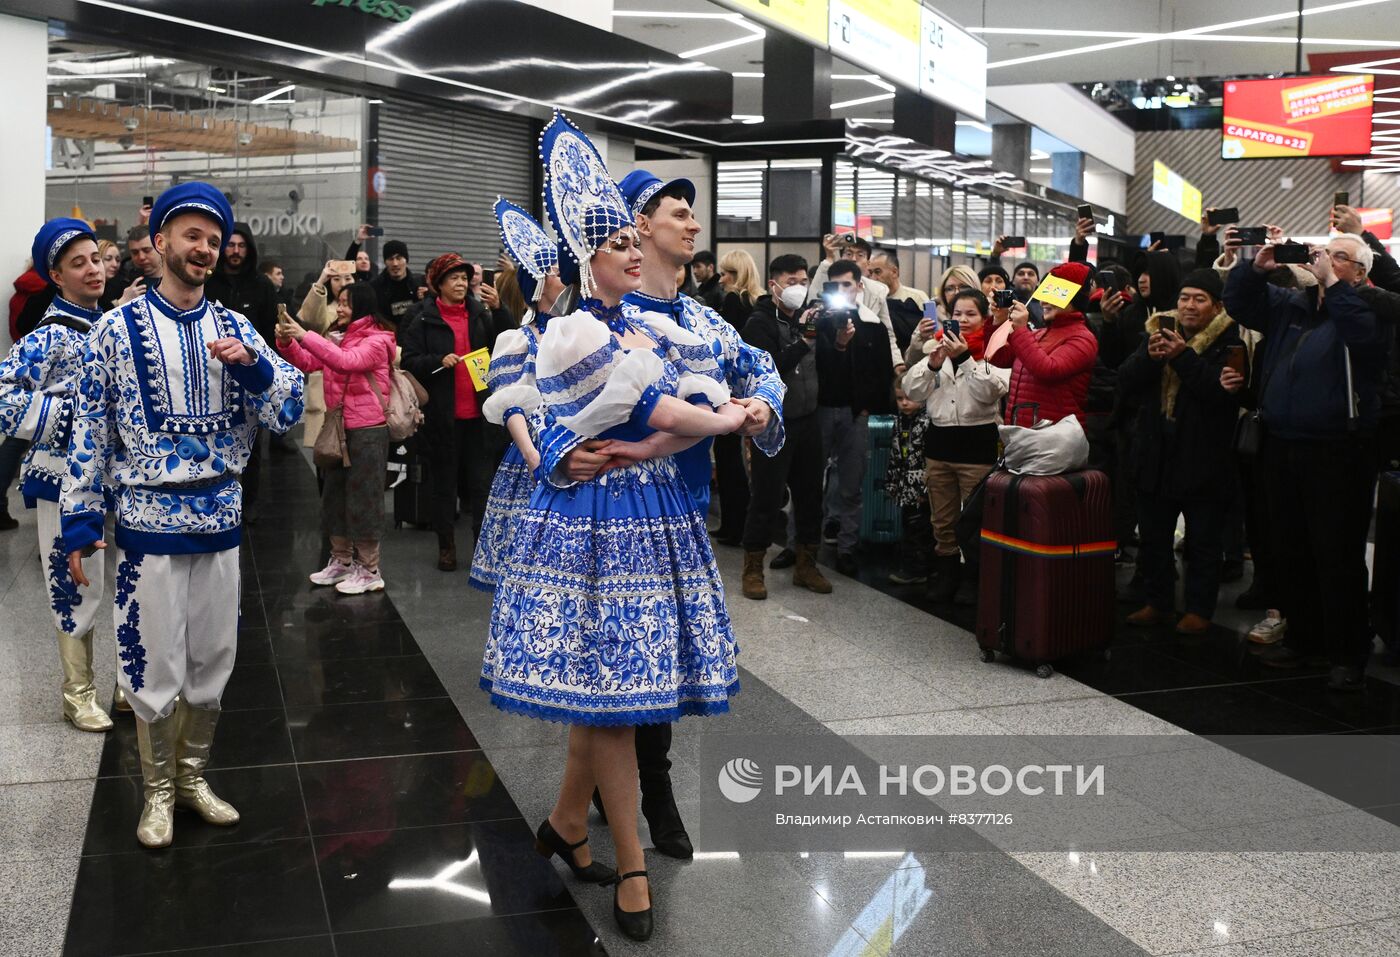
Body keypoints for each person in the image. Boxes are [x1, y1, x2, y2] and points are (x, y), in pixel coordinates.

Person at [483, 113, 751, 943]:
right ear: (585, 255)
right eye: (617, 244)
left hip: (645, 507)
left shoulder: (646, 325)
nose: (634, 253)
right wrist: (713, 420)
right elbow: (668, 409)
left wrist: (690, 425)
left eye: (634, 242)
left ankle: (569, 822)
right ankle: (629, 859)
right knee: (610, 699)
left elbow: (668, 421)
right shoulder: (572, 334)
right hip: (593, 523)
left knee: (612, 695)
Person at [61, 182, 304, 847]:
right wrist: (80, 524)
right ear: (160, 241)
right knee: (149, 658)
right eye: (190, 235)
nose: (204, 248)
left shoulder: (235, 326)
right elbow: (89, 429)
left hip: (221, 524)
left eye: (214, 238)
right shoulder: (114, 329)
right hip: (145, 530)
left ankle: (194, 777)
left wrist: (255, 367)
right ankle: (159, 789)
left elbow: (288, 410)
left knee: (214, 655)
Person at [612, 168, 786, 862]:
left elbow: (758, 363)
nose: (693, 224)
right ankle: (633, 788)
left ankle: (649, 785)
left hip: (679, 512)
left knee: (661, 656)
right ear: (640, 224)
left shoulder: (703, 319)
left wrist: (761, 403)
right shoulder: (611, 314)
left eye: (693, 214)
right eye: (678, 213)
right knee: (622, 656)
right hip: (617, 509)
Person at [1224, 230, 1387, 691]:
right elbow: (1240, 302)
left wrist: (1333, 287)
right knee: (1289, 548)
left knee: (1336, 553)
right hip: (1283, 443)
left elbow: (1364, 339)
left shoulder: (1369, 307)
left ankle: (1347, 651)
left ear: (1359, 271)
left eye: (1340, 258)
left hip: (1339, 449)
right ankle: (1304, 638)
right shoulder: (1291, 306)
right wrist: (1255, 266)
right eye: (1325, 253)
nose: (1327, 261)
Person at [0, 219, 121, 731]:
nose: (93, 269)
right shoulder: (46, 336)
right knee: (74, 580)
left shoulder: (114, 324)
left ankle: (129, 685)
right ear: (55, 274)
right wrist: (73, 416)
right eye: (79, 263)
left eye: (95, 258)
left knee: (127, 580)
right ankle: (78, 692)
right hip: (62, 479)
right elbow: (6, 401)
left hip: (121, 478)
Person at [1118, 269, 1243, 634]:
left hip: (1204, 455)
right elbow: (1125, 379)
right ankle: (1157, 603)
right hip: (1156, 452)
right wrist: (1151, 358)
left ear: (1217, 306)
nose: (1189, 305)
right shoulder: (1158, 333)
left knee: (1203, 541)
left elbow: (1219, 395)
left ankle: (1198, 610)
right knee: (1154, 538)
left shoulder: (1229, 343)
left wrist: (1183, 356)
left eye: (1199, 299)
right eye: (1185, 297)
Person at [469, 198, 565, 592]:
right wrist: (531, 455)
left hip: (576, 450)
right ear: (540, 285)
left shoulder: (583, 329)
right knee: (526, 567)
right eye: (558, 272)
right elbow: (511, 402)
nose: (567, 277)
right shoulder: (518, 339)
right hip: (536, 455)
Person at [277, 282, 396, 594]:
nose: (340, 308)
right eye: (339, 302)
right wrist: (287, 342)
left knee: (365, 499)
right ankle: (341, 561)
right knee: (334, 497)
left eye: (346, 303)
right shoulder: (335, 338)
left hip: (369, 429)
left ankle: (369, 569)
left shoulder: (378, 340)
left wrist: (306, 336)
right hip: (339, 427)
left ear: (362, 306)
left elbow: (347, 362)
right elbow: (308, 362)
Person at [902, 289, 1008, 603]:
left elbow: (990, 392)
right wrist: (932, 364)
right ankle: (946, 575)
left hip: (978, 444)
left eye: (970, 314)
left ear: (984, 317)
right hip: (940, 444)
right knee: (942, 520)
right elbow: (912, 389)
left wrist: (964, 359)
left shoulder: (994, 348)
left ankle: (976, 579)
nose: (962, 320)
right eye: (957, 314)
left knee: (976, 519)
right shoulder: (936, 344)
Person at [398, 254, 500, 571]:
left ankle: (483, 550)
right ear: (439, 284)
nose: (460, 283)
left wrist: (501, 309)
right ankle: (446, 546)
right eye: (453, 278)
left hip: (479, 417)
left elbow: (505, 344)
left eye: (463, 277)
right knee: (444, 486)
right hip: (443, 417)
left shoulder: (481, 313)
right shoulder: (423, 318)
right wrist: (438, 360)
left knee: (481, 486)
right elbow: (409, 361)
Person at [739, 253, 831, 599]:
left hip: (808, 419)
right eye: (792, 282)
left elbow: (825, 365)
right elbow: (768, 370)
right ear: (774, 284)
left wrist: (835, 341)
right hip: (773, 424)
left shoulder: (809, 319)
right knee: (766, 496)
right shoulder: (758, 323)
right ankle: (752, 568)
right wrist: (803, 343)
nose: (799, 288)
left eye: (804, 281)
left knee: (811, 496)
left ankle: (807, 564)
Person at [817, 259, 896, 576]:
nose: (841, 291)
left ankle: (847, 548)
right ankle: (801, 547)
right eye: (833, 286)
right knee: (809, 481)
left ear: (860, 287)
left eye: (847, 285)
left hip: (855, 414)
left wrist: (866, 408)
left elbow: (882, 372)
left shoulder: (873, 325)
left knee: (851, 486)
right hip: (819, 410)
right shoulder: (818, 322)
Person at [990, 261, 1100, 427]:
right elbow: (998, 357)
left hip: (1054, 439)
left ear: (1074, 299)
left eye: (1053, 295)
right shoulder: (1039, 333)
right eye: (1043, 295)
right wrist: (998, 321)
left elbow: (1049, 370)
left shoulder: (1083, 339)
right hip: (1020, 434)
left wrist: (1020, 329)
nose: (1043, 302)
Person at [711, 248, 764, 544]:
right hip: (749, 391)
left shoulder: (732, 301)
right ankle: (739, 523)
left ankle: (733, 525)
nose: (720, 279)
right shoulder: (756, 300)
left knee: (728, 461)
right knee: (742, 464)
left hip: (729, 392)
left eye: (725, 273)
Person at [811, 234, 903, 372]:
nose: (853, 259)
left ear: (868, 262)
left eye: (860, 255)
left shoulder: (878, 290)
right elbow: (813, 299)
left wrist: (897, 364)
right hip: (831, 354)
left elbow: (888, 332)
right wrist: (829, 257)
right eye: (848, 253)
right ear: (841, 257)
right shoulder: (829, 284)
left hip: (865, 356)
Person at [884, 381, 933, 586]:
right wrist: (892, 483)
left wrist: (924, 487)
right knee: (909, 524)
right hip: (904, 485)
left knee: (921, 528)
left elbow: (930, 460)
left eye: (909, 398)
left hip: (921, 485)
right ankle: (912, 564)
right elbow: (895, 454)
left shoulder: (927, 423)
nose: (904, 403)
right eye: (899, 398)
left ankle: (920, 568)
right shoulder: (899, 422)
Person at [867, 249, 927, 351]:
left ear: (894, 272)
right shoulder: (871, 300)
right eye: (870, 273)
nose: (873, 278)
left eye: (877, 272)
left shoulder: (917, 297)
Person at [370, 239, 421, 325]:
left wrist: (426, 298)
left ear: (406, 260)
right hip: (387, 335)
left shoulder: (420, 283)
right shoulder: (375, 287)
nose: (395, 263)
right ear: (385, 262)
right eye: (390, 259)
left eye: (399, 258)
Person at [716, 248, 763, 331]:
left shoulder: (733, 298)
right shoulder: (760, 299)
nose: (720, 280)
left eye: (723, 274)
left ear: (737, 275)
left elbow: (727, 335)